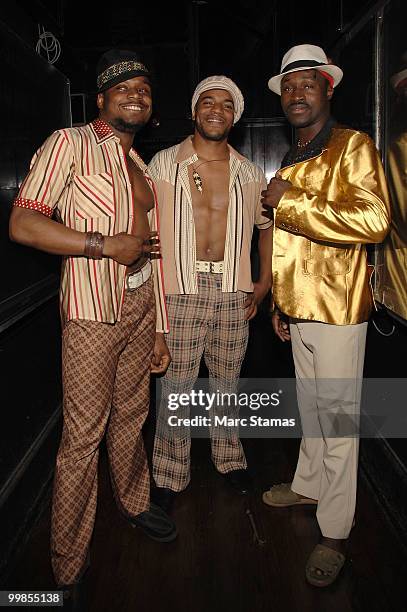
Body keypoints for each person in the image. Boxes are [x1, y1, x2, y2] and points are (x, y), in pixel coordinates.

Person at [9, 49, 176, 604]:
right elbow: (23, 223)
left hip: (139, 308)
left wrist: (159, 327)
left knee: (134, 413)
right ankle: (67, 564)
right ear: (100, 100)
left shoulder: (144, 168)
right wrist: (103, 245)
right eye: (121, 86)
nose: (136, 92)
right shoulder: (70, 144)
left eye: (144, 87)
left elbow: (155, 253)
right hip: (90, 312)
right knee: (83, 436)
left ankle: (132, 502)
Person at [261, 44, 390, 587]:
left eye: (306, 84)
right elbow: (290, 244)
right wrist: (279, 303)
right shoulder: (296, 152)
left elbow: (375, 221)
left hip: (338, 312)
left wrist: (287, 199)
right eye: (288, 87)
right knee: (312, 410)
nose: (296, 93)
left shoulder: (351, 145)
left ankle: (335, 531)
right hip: (300, 309)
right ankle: (309, 484)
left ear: (328, 89)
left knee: (339, 425)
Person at [148, 75, 273, 511]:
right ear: (194, 110)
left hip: (232, 288)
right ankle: (168, 471)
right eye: (207, 101)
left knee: (226, 382)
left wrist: (264, 283)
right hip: (179, 287)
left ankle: (228, 458)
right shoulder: (163, 163)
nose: (216, 109)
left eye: (225, 103)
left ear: (234, 116)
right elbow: (145, 228)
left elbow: (265, 230)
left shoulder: (250, 172)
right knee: (175, 385)